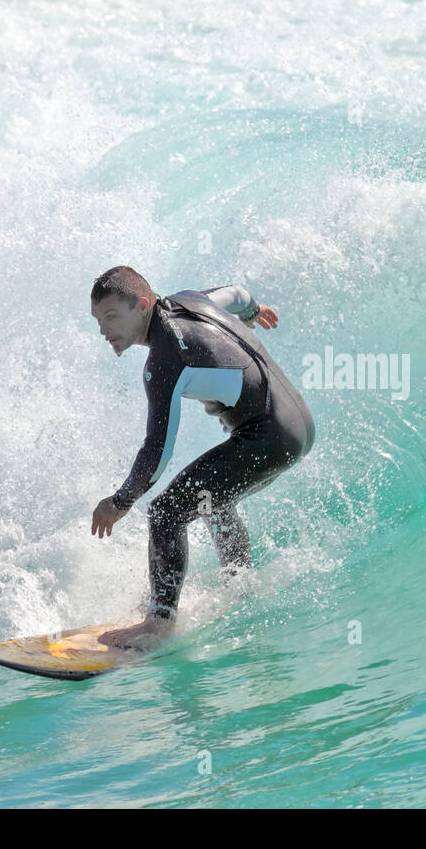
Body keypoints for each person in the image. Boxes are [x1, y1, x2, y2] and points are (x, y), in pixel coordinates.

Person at [87, 266, 315, 651]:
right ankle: (241, 583)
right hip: (298, 425)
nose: (104, 330)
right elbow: (238, 293)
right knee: (211, 498)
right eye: (98, 321)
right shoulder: (190, 299)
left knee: (165, 512)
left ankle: (158, 624)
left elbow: (157, 451)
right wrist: (253, 311)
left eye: (112, 317)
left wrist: (120, 501)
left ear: (142, 306)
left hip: (268, 436)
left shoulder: (163, 362)